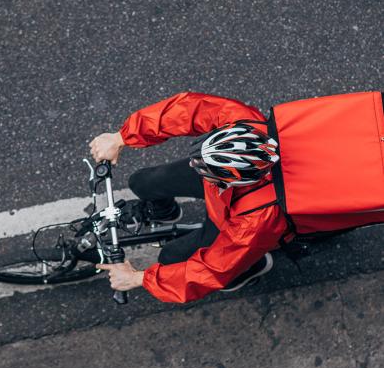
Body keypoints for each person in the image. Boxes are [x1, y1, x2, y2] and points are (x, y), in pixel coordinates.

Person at [88, 92, 287, 303]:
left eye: (202, 166)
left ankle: (249, 268)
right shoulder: (240, 120)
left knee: (170, 258)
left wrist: (139, 278)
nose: (193, 164)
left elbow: (213, 270)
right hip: (223, 189)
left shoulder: (257, 220)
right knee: (142, 182)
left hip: (232, 219)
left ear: (231, 181)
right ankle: (164, 211)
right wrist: (121, 137)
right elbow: (189, 109)